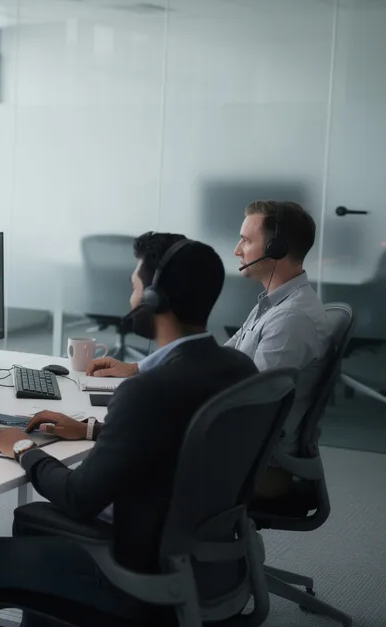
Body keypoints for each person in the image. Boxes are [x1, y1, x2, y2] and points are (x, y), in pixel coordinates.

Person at [0, 235, 256, 627]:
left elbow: (80, 496)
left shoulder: (148, 391)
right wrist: (95, 432)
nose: (132, 291)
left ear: (157, 298)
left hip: (135, 579)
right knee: (36, 524)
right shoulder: (238, 369)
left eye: (136, 282)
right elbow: (178, 441)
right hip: (210, 568)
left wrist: (24, 450)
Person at [86, 202, 329, 498]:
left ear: (276, 248)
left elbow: (251, 411)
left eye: (247, 240)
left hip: (256, 466)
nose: (237, 249)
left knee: (119, 467)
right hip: (238, 448)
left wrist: (128, 422)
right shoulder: (274, 303)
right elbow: (219, 357)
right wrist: (139, 369)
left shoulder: (291, 320)